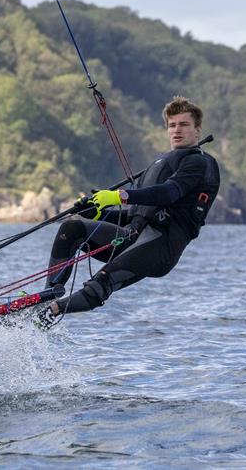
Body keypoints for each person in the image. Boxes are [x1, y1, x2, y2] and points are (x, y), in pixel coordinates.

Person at [38, 96, 220, 326]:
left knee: (101, 282)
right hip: (131, 237)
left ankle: (47, 315)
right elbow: (137, 215)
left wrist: (118, 196)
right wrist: (97, 213)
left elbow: (169, 193)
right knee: (72, 227)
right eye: (172, 125)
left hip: (160, 246)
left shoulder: (198, 163)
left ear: (197, 130)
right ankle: (47, 297)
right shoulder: (162, 164)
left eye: (184, 125)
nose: (176, 130)